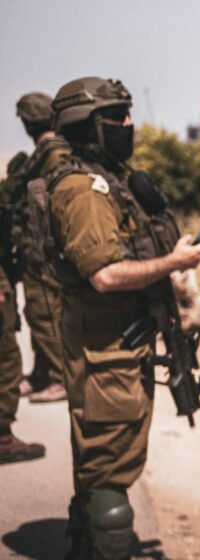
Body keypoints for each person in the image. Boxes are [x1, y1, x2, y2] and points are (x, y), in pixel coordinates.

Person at [47, 77, 200, 560]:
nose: (128, 126)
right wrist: (175, 262)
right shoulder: (82, 191)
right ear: (89, 127)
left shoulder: (109, 179)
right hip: (105, 342)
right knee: (110, 456)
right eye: (116, 118)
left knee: (113, 449)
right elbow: (105, 276)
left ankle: (105, 548)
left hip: (118, 339)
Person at [8, 92, 70, 403]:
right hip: (38, 249)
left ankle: (61, 379)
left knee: (45, 313)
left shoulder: (52, 152)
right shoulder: (50, 151)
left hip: (42, 250)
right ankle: (42, 373)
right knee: (37, 312)